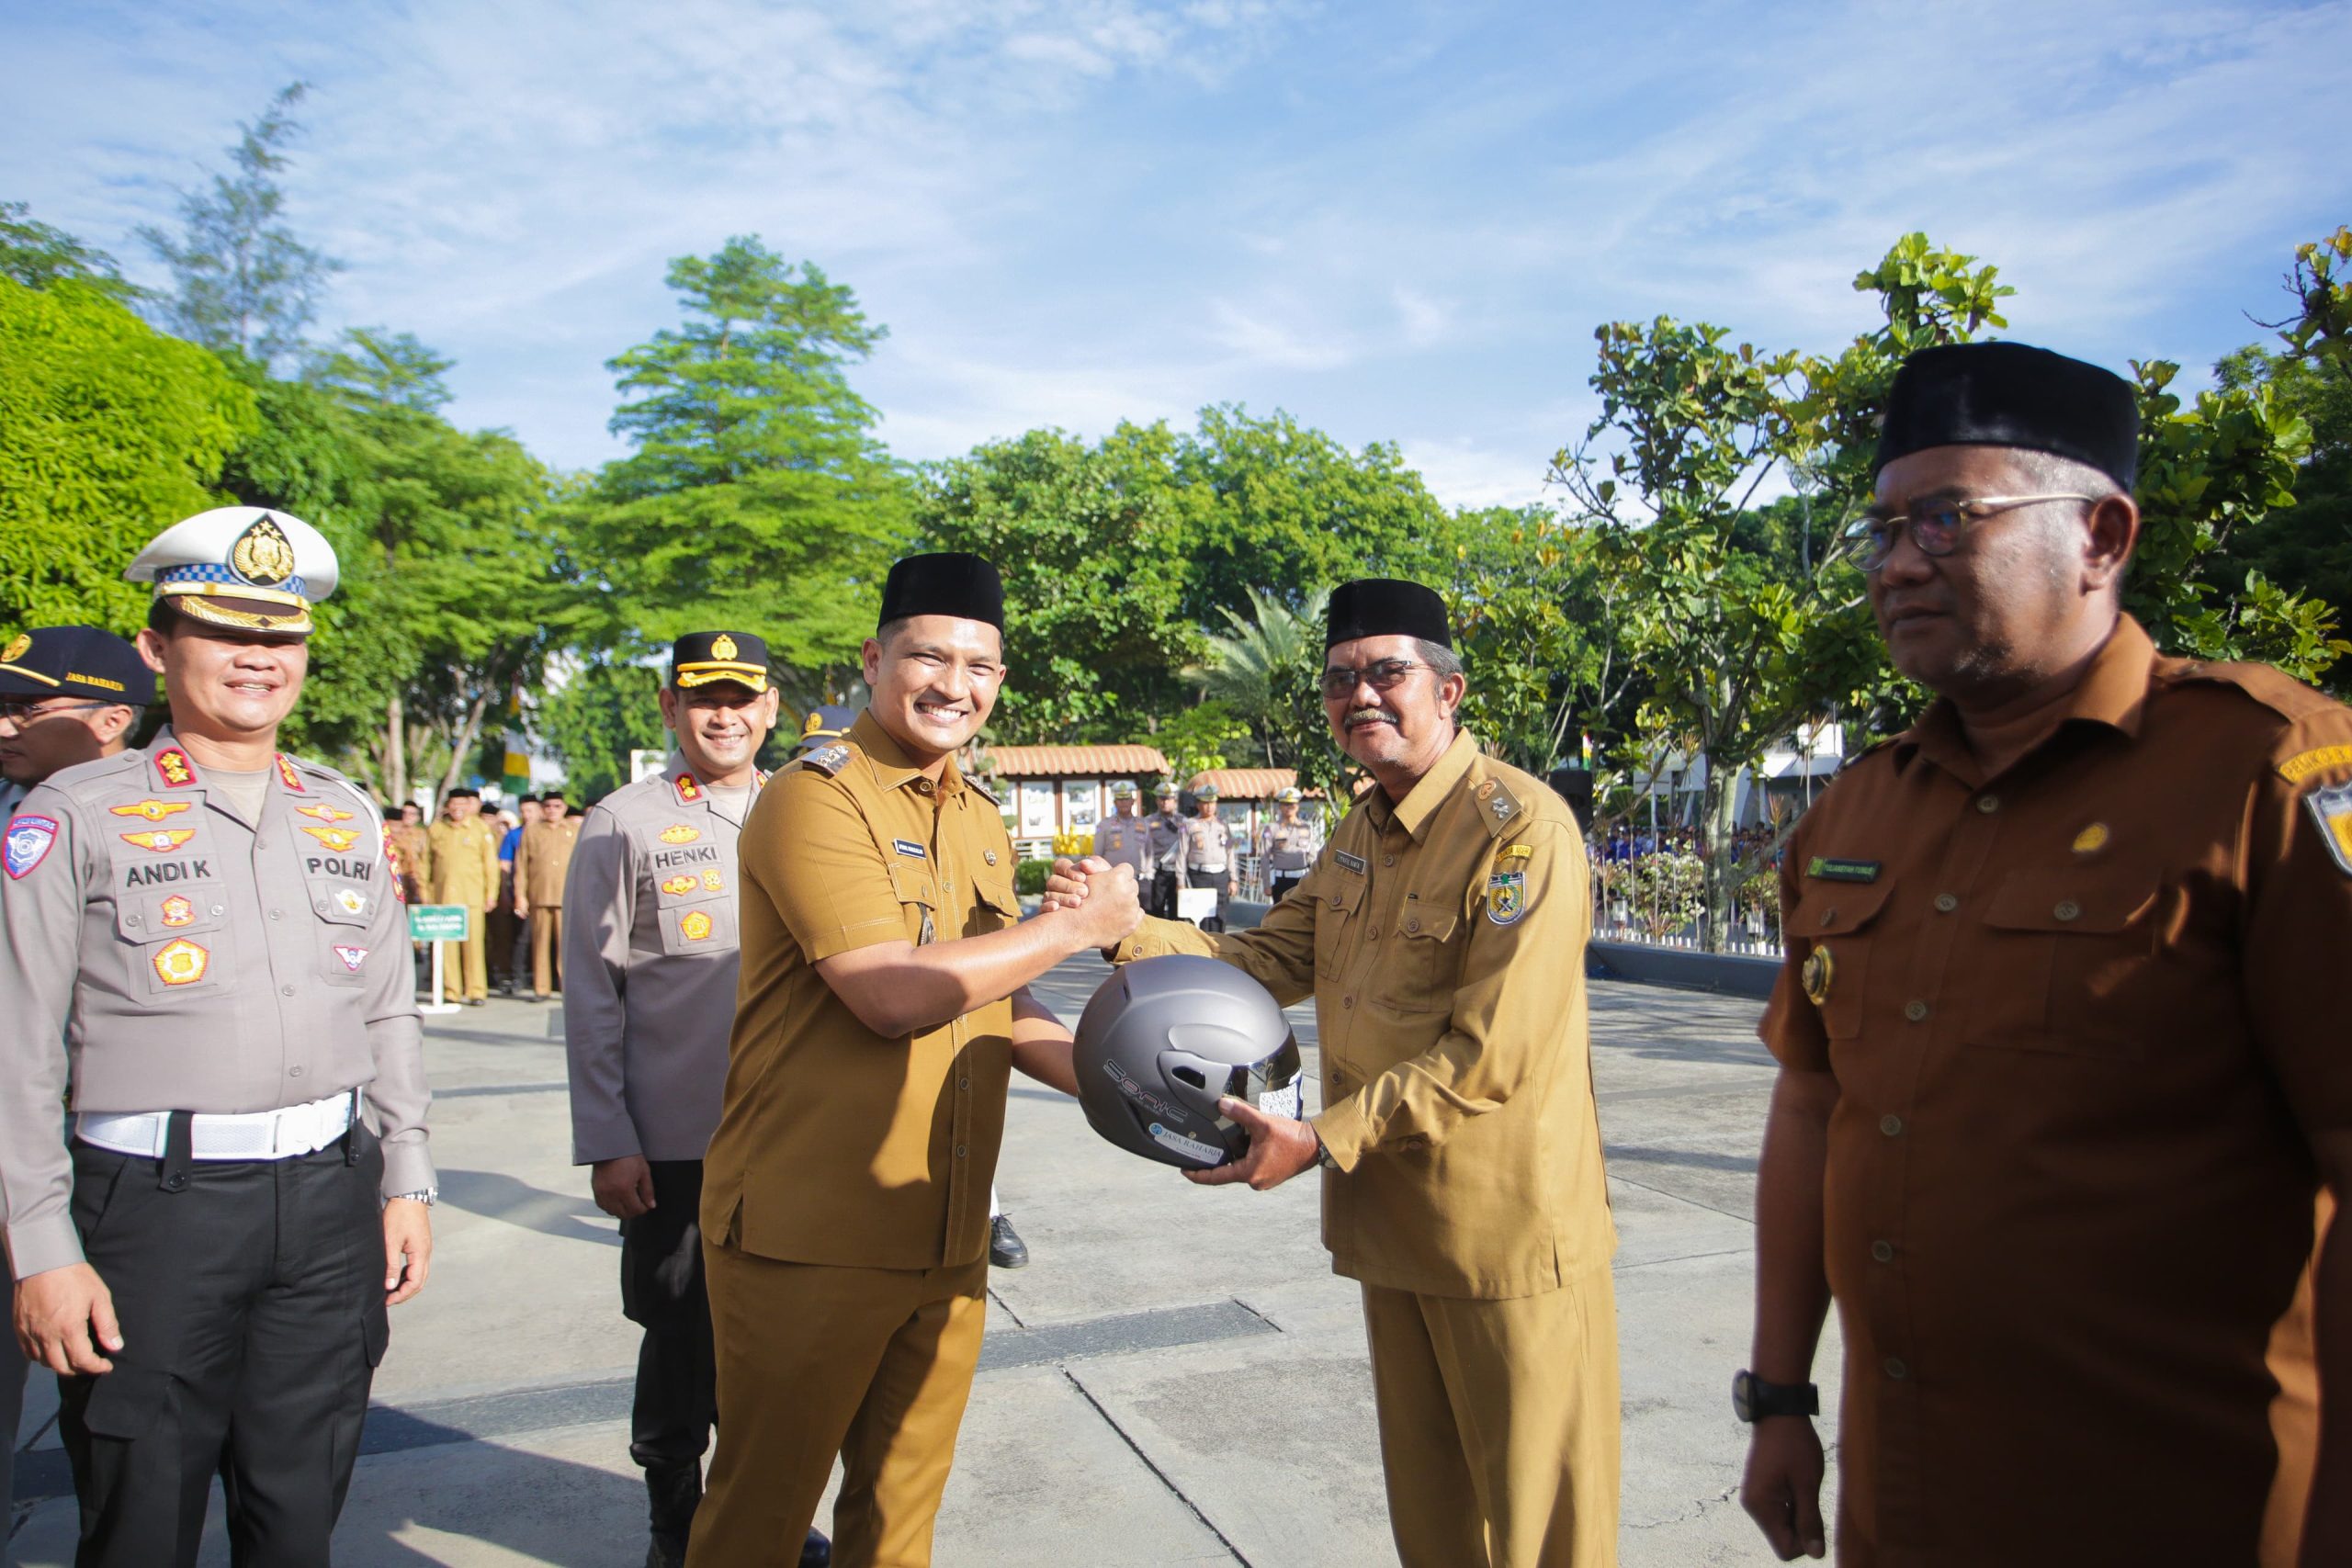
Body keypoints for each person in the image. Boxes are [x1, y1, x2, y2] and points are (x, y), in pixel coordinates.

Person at [1738, 341, 2352, 1568]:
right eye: (1885, 528)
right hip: (1908, 1498)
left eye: (1950, 518)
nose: (1898, 562)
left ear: (2103, 535)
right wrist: (1782, 1398)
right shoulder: (1853, 814)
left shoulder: (2273, 777)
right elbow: (1813, 1103)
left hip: (2186, 1505)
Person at [1046, 578, 1619, 1567]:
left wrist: (1320, 1140)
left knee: (1539, 1531)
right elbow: (1268, 960)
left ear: (1448, 691)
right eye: (1339, 679)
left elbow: (1494, 1055)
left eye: (1387, 672)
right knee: (1434, 1525)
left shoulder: (1519, 830)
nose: (1361, 695)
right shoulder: (1363, 830)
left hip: (1502, 1239)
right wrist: (1124, 929)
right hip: (1392, 1228)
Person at [687, 553, 1141, 1568]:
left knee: (898, 1521)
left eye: (978, 665)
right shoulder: (817, 798)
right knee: (758, 1518)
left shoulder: (976, 812)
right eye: (926, 656)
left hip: (944, 1228)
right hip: (810, 1231)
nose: (952, 685)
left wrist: (1132, 1094)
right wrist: (1073, 930)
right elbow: (891, 993)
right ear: (874, 657)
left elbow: (1000, 1004)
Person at [1, 506, 433, 1568]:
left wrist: (407, 1179)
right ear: (157, 647)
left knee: (298, 1514)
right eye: (223, 629)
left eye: (280, 635)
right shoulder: (76, 811)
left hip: (330, 1201)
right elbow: (16, 1046)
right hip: (152, 1213)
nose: (258, 657)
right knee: (139, 1518)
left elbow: (386, 1009)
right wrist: (41, 1248)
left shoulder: (342, 811)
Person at [562, 634, 827, 1568]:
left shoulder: (812, 810)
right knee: (681, 1340)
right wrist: (608, 1137)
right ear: (671, 710)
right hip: (676, 1139)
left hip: (793, 1136)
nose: (723, 715)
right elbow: (593, 991)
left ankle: (767, 1519)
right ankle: (674, 1524)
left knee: (784, 1343)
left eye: (740, 698)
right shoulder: (621, 822)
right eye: (702, 698)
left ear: (770, 711)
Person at [0, 624, 152, 1520]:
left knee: (114, 1420)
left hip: (99, 1171)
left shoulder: (155, 823)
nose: (5, 726)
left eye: (25, 708)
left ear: (109, 720)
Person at [425, 785, 498, 1005]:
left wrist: (491, 894)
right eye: (453, 804)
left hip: (473, 897)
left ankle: (476, 990)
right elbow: (425, 864)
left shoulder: (480, 829)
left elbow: (490, 865)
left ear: (469, 806)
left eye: (462, 804)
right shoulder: (436, 830)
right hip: (443, 896)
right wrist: (424, 892)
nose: (457, 808)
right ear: (448, 806)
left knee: (474, 946)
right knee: (447, 947)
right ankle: (451, 991)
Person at [516, 793, 581, 1001]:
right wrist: (520, 896)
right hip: (539, 894)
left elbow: (584, 865)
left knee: (568, 945)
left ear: (564, 808)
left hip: (567, 896)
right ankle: (541, 988)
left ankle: (567, 987)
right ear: (542, 809)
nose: (552, 810)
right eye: (548, 806)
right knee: (540, 944)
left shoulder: (574, 830)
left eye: (557, 806)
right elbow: (521, 866)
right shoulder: (532, 831)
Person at [490, 795, 537, 995]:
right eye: (523, 811)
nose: (526, 815)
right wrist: (508, 894)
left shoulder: (549, 832)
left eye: (530, 811)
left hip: (545, 893)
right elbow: (505, 865)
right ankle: (518, 977)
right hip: (521, 892)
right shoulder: (514, 835)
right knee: (522, 938)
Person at [1257, 784, 1320, 902]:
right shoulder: (1271, 828)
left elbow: (1312, 856)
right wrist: (1266, 884)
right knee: (1281, 918)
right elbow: (1264, 857)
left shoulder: (1306, 828)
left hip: (1303, 880)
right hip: (1281, 880)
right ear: (1280, 806)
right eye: (1286, 804)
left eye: (1293, 804)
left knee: (1302, 917)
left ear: (1297, 806)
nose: (1289, 807)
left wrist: (1315, 881)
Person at [1091, 780, 1152, 883]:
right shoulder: (1105, 825)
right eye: (1120, 799)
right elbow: (1097, 854)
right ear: (1114, 802)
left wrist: (1148, 873)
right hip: (1113, 880)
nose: (1123, 802)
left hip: (1140, 879)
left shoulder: (1144, 824)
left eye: (1127, 799)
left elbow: (1149, 852)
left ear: (1133, 801)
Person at [1145, 781, 1185, 918]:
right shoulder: (1148, 821)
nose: (1165, 803)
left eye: (1169, 799)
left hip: (1178, 873)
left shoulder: (1183, 821)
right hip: (1159, 873)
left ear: (1175, 800)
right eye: (1162, 799)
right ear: (1157, 800)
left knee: (1178, 913)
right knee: (1156, 910)